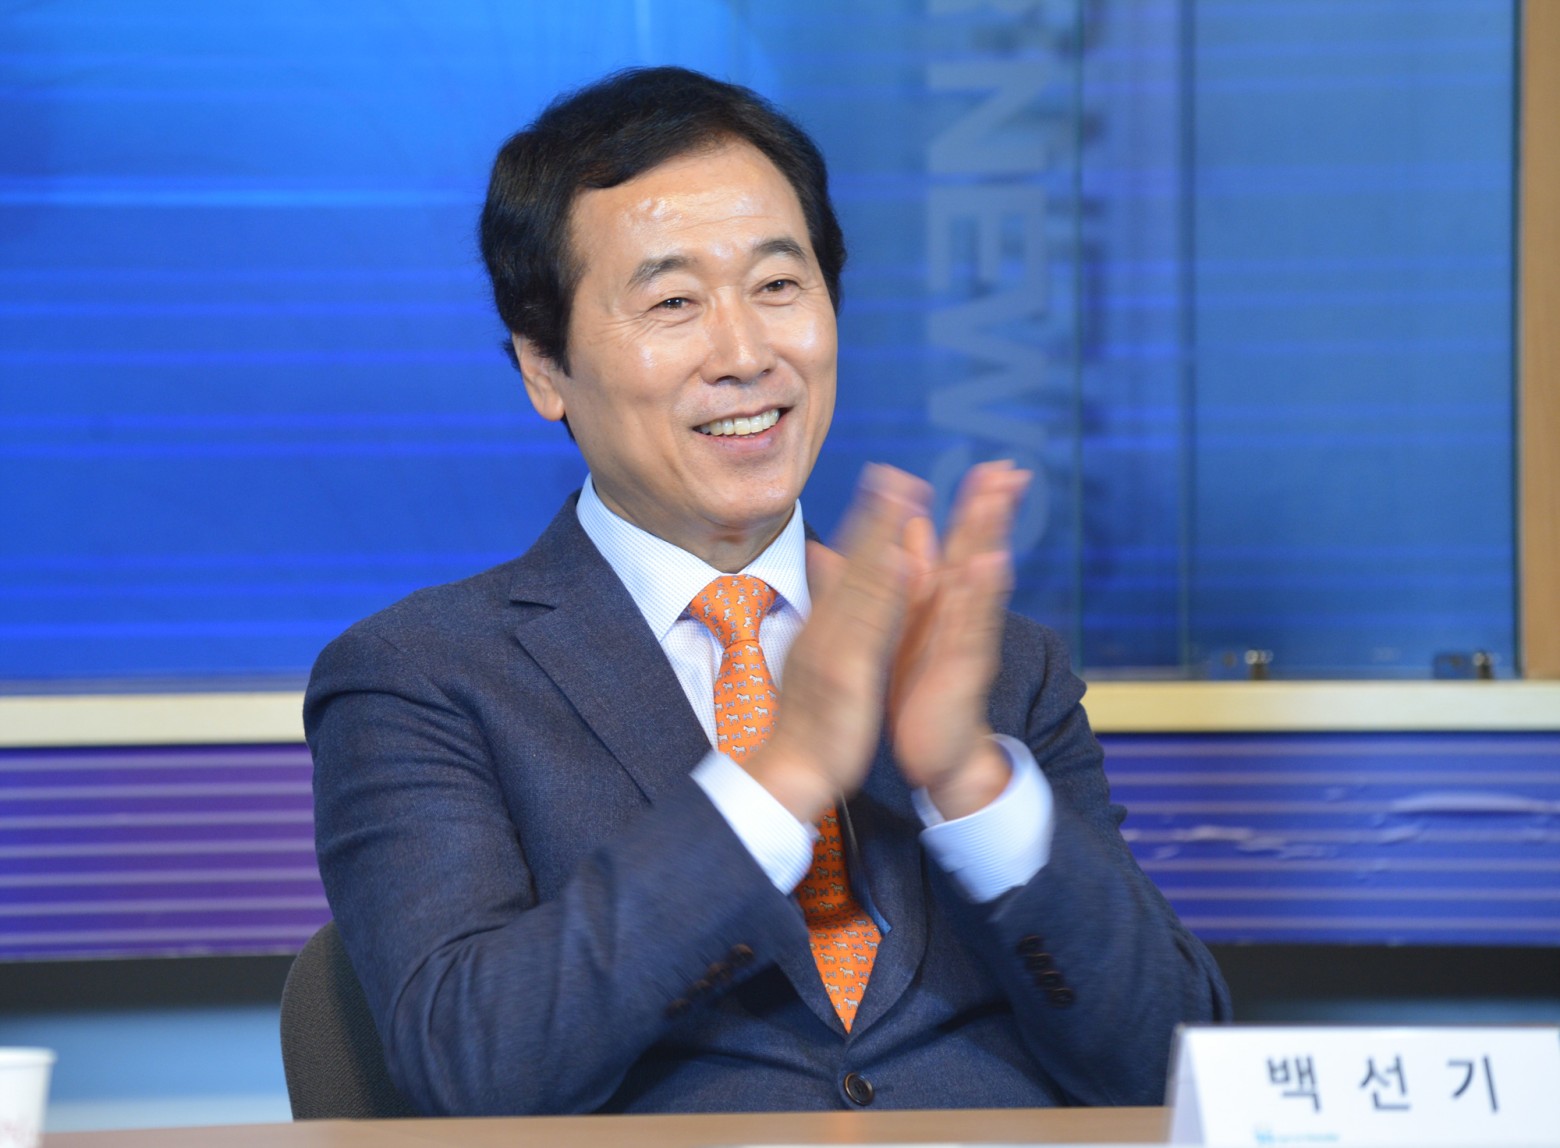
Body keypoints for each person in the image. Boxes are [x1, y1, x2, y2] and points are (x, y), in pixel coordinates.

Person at [304, 65, 1229, 1118]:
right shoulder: (421, 677)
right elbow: (472, 1069)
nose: (745, 354)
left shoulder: (997, 665)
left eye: (779, 285)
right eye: (673, 302)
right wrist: (781, 777)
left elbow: (1174, 1074)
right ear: (544, 366)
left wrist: (970, 782)